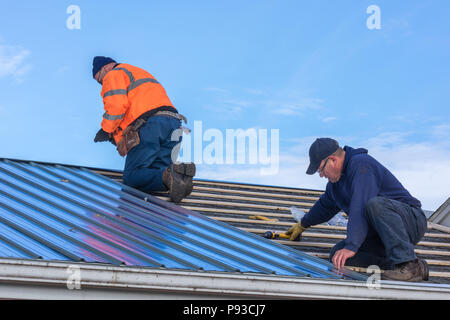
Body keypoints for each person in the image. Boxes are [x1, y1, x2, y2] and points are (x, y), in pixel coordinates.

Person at [286, 138, 429, 282]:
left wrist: (352, 245)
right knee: (338, 255)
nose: (322, 175)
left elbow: (360, 205)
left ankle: (408, 264)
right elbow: (324, 207)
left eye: (321, 170)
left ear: (332, 160)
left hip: (409, 222)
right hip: (381, 235)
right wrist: (303, 224)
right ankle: (400, 266)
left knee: (375, 205)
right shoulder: (335, 186)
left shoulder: (361, 164)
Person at [91, 56, 195, 203]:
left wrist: (106, 130)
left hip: (150, 125)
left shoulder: (113, 74)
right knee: (157, 174)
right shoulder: (138, 73)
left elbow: (117, 106)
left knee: (132, 176)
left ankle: (170, 176)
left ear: (106, 68)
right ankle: (176, 178)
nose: (101, 83)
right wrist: (117, 137)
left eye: (99, 79)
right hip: (173, 124)